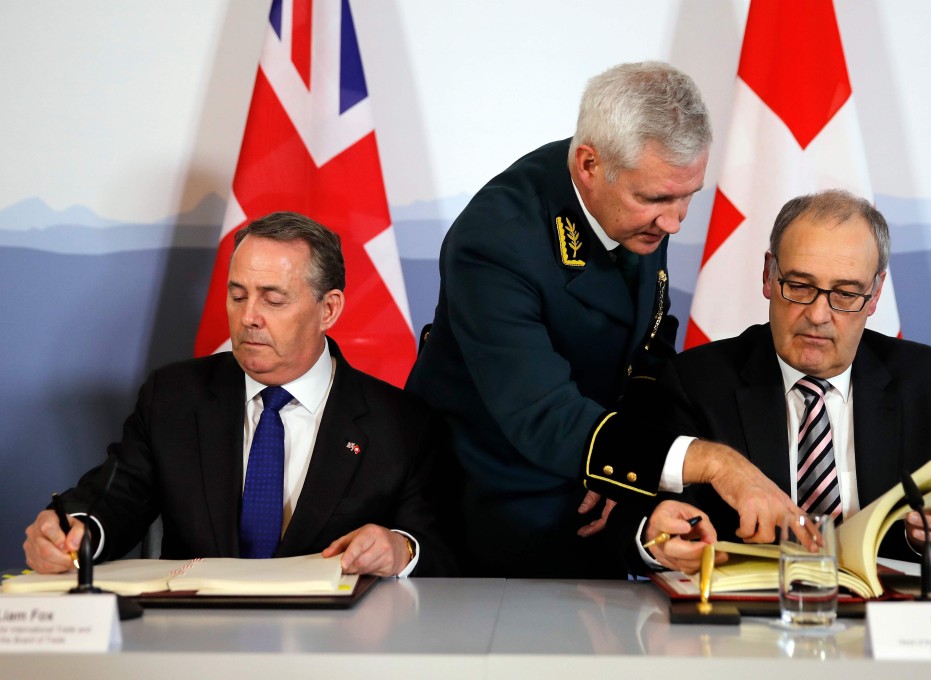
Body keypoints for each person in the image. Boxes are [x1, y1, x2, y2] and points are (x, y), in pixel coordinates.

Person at [406, 61, 798, 577]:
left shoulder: (631, 191)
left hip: (593, 491)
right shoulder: (495, 241)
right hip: (491, 511)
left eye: (689, 197)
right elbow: (543, 415)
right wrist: (716, 463)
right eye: (657, 199)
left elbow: (648, 348)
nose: (676, 222)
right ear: (589, 165)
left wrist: (627, 471)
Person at [593, 190, 931, 574]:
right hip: (747, 637)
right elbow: (627, 523)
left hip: (886, 639)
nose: (818, 314)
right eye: (799, 285)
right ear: (768, 276)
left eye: (846, 294)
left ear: (876, 294)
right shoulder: (695, 383)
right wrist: (654, 539)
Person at [24, 211, 457, 577]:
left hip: (337, 651)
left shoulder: (399, 422)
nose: (248, 317)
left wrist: (399, 548)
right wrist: (73, 531)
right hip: (195, 646)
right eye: (237, 296)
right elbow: (116, 497)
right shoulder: (173, 398)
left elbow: (439, 545)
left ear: (328, 310)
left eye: (273, 299)